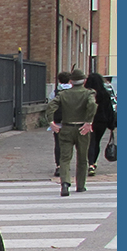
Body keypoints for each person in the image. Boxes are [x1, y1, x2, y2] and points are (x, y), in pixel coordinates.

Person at [47, 68, 98, 196]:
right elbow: (92, 105)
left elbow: (51, 106)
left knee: (64, 158)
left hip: (66, 127)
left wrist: (51, 122)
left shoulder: (63, 94)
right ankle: (80, 185)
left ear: (71, 81)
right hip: (82, 128)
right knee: (82, 158)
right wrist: (88, 121)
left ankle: (65, 183)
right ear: (84, 81)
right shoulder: (88, 93)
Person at [85, 72, 116, 174]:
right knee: (97, 142)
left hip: (89, 120)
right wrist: (111, 124)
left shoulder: (87, 93)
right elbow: (109, 109)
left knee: (90, 142)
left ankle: (90, 163)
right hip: (101, 121)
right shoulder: (104, 93)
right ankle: (93, 163)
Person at [50, 71, 71, 176]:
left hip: (58, 121)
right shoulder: (73, 91)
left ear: (59, 80)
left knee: (58, 144)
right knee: (69, 144)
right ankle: (66, 163)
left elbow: (50, 104)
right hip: (71, 121)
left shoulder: (56, 92)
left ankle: (59, 165)